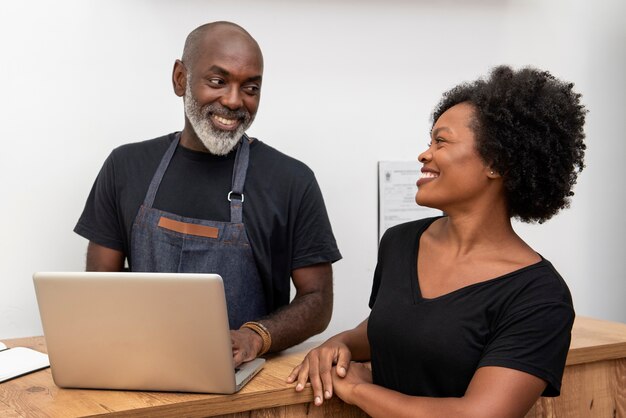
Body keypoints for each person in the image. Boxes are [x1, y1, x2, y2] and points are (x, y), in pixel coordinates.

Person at [288, 65, 586, 417]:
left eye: (441, 141)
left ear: (497, 162)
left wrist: (357, 389)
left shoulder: (539, 296)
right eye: (429, 141)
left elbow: (479, 415)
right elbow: (394, 326)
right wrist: (339, 343)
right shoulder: (399, 242)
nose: (424, 154)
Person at [74, 21, 341, 367]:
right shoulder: (125, 166)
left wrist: (254, 338)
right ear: (180, 79)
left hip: (245, 381)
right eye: (218, 82)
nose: (233, 101)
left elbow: (318, 300)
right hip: (140, 367)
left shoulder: (292, 181)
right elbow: (100, 287)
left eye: (250, 88)